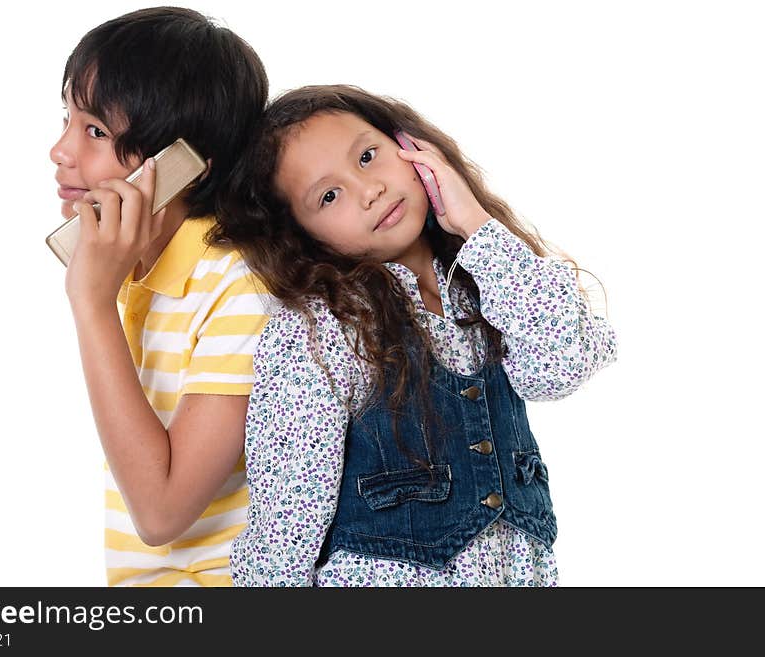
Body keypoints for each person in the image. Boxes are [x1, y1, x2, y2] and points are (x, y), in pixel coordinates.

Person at [212, 85, 618, 586]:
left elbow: (561, 367)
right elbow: (289, 517)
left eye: (367, 155)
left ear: (411, 146)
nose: (368, 190)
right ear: (304, 235)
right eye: (329, 195)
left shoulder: (489, 287)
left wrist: (475, 223)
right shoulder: (322, 331)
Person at [49, 7, 272, 586]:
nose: (61, 151)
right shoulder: (133, 270)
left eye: (95, 131)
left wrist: (92, 306)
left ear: (184, 168)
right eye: (67, 120)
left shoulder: (239, 285)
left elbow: (161, 511)